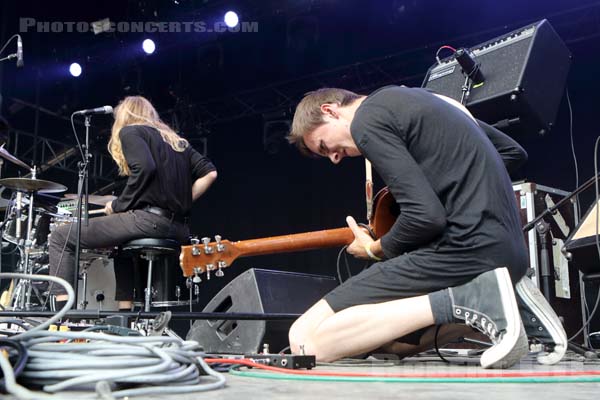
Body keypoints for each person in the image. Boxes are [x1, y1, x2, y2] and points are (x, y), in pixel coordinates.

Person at [286, 85, 567, 368]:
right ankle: (509, 303)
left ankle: (479, 296)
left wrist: (374, 249)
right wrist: (448, 187)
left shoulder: (366, 120)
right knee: (390, 344)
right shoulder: (438, 102)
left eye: (324, 146)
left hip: (466, 248)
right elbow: (512, 152)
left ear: (330, 110)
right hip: (509, 255)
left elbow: (425, 217)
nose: (334, 158)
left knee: (304, 340)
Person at [48, 96, 217, 310]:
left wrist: (119, 205)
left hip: (149, 221)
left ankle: (61, 317)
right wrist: (182, 201)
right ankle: (125, 314)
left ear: (124, 116)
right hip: (179, 228)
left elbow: (145, 168)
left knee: (61, 236)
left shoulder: (130, 131)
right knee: (120, 245)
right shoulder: (177, 142)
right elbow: (210, 173)